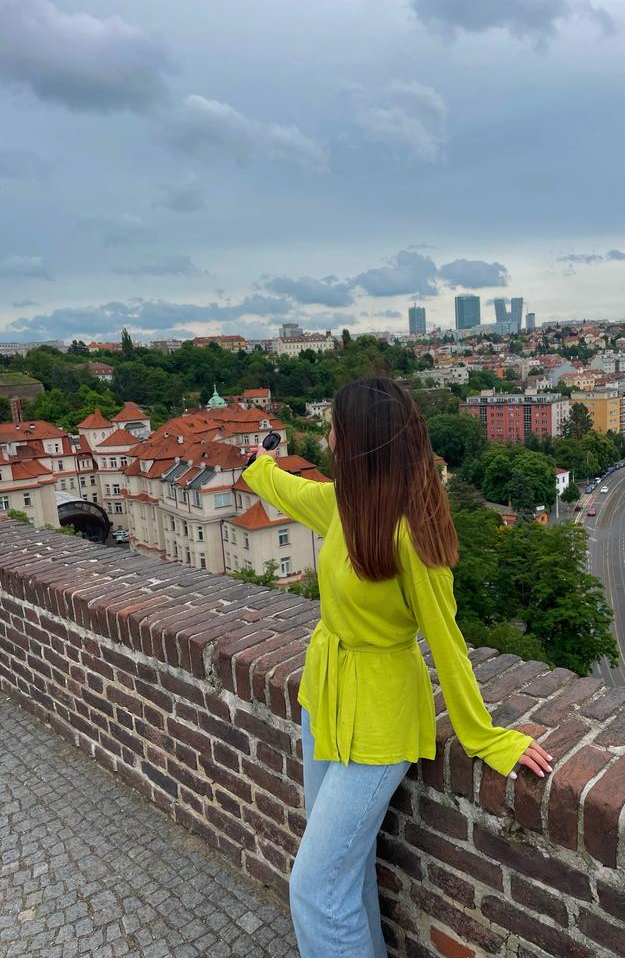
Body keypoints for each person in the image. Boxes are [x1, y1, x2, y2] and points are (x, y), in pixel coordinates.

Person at [242, 376, 553, 957]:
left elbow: (448, 642)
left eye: (335, 427)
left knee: (314, 889)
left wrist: (485, 736)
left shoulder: (411, 534)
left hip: (382, 717)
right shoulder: (347, 504)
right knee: (344, 873)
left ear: (359, 439)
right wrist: (259, 465)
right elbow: (288, 490)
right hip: (324, 698)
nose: (329, 437)